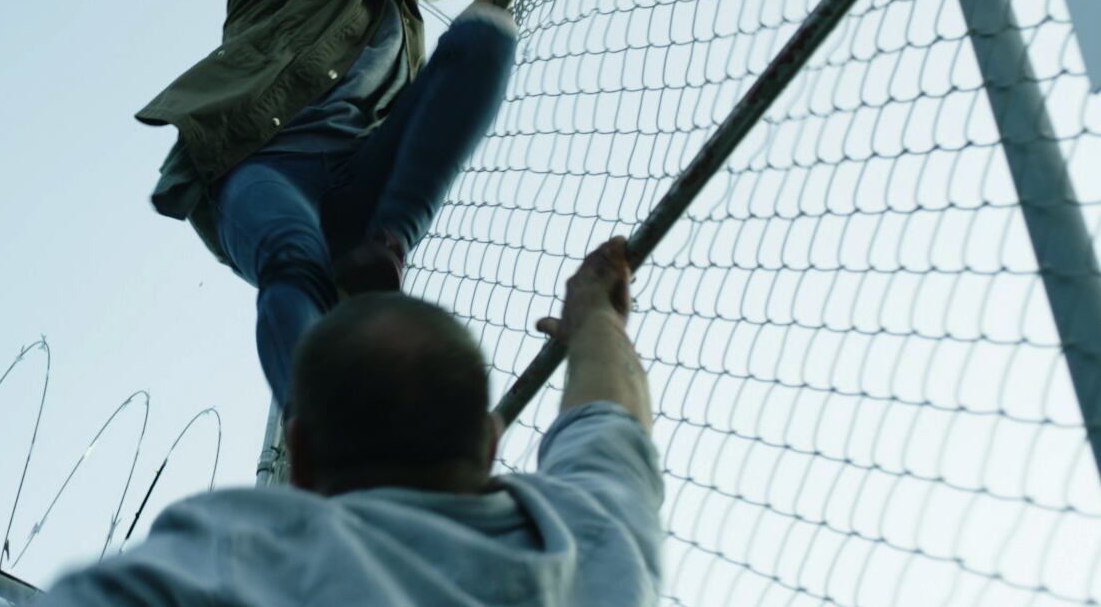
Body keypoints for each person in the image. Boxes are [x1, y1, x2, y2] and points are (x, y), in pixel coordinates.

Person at [136, 0, 597, 407]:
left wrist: (460, 43)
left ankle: (385, 248)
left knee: (485, 35)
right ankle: (315, 427)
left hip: (358, 182)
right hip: (267, 164)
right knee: (294, 259)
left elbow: (415, 120)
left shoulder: (397, 15)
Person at [32, 237, 662, 606]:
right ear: (491, 440)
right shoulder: (587, 536)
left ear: (299, 455)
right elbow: (608, 419)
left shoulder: (240, 550)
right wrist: (595, 316)